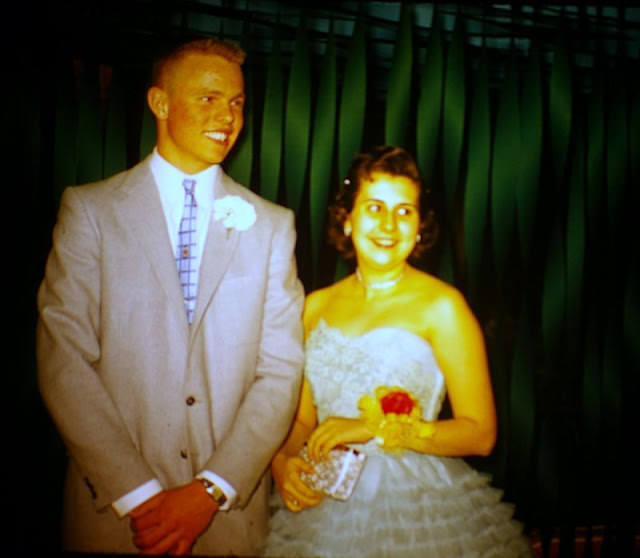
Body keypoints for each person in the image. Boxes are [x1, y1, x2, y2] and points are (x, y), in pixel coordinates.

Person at [36, 38, 304, 556]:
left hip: (228, 520)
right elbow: (62, 360)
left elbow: (281, 372)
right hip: (115, 516)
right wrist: (138, 494)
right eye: (208, 98)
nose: (227, 116)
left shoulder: (272, 226)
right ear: (159, 103)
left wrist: (211, 490)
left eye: (237, 102)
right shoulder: (90, 211)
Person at [263, 146, 533, 557]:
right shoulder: (314, 306)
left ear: (420, 227)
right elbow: (302, 419)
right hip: (326, 501)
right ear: (348, 220)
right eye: (374, 207)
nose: (389, 224)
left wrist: (372, 427)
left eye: (404, 211)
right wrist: (282, 461)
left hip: (417, 506)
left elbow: (480, 434)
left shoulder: (444, 307)